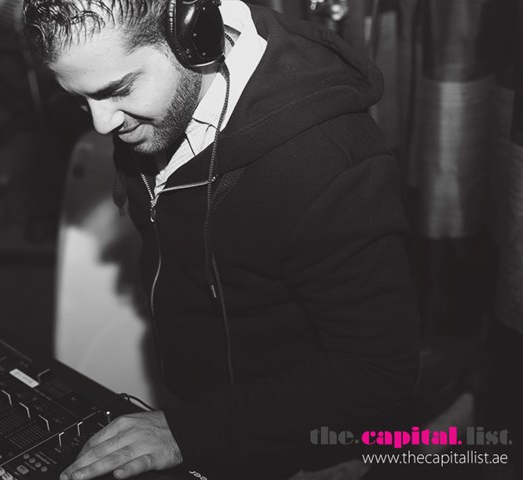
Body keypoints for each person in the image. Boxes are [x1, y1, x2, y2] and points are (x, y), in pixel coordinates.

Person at [22, 1, 420, 479]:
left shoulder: (328, 168)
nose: (101, 124)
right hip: (203, 404)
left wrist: (191, 431)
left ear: (195, 37)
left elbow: (377, 370)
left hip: (302, 445)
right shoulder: (148, 91)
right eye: (80, 99)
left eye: (119, 90)